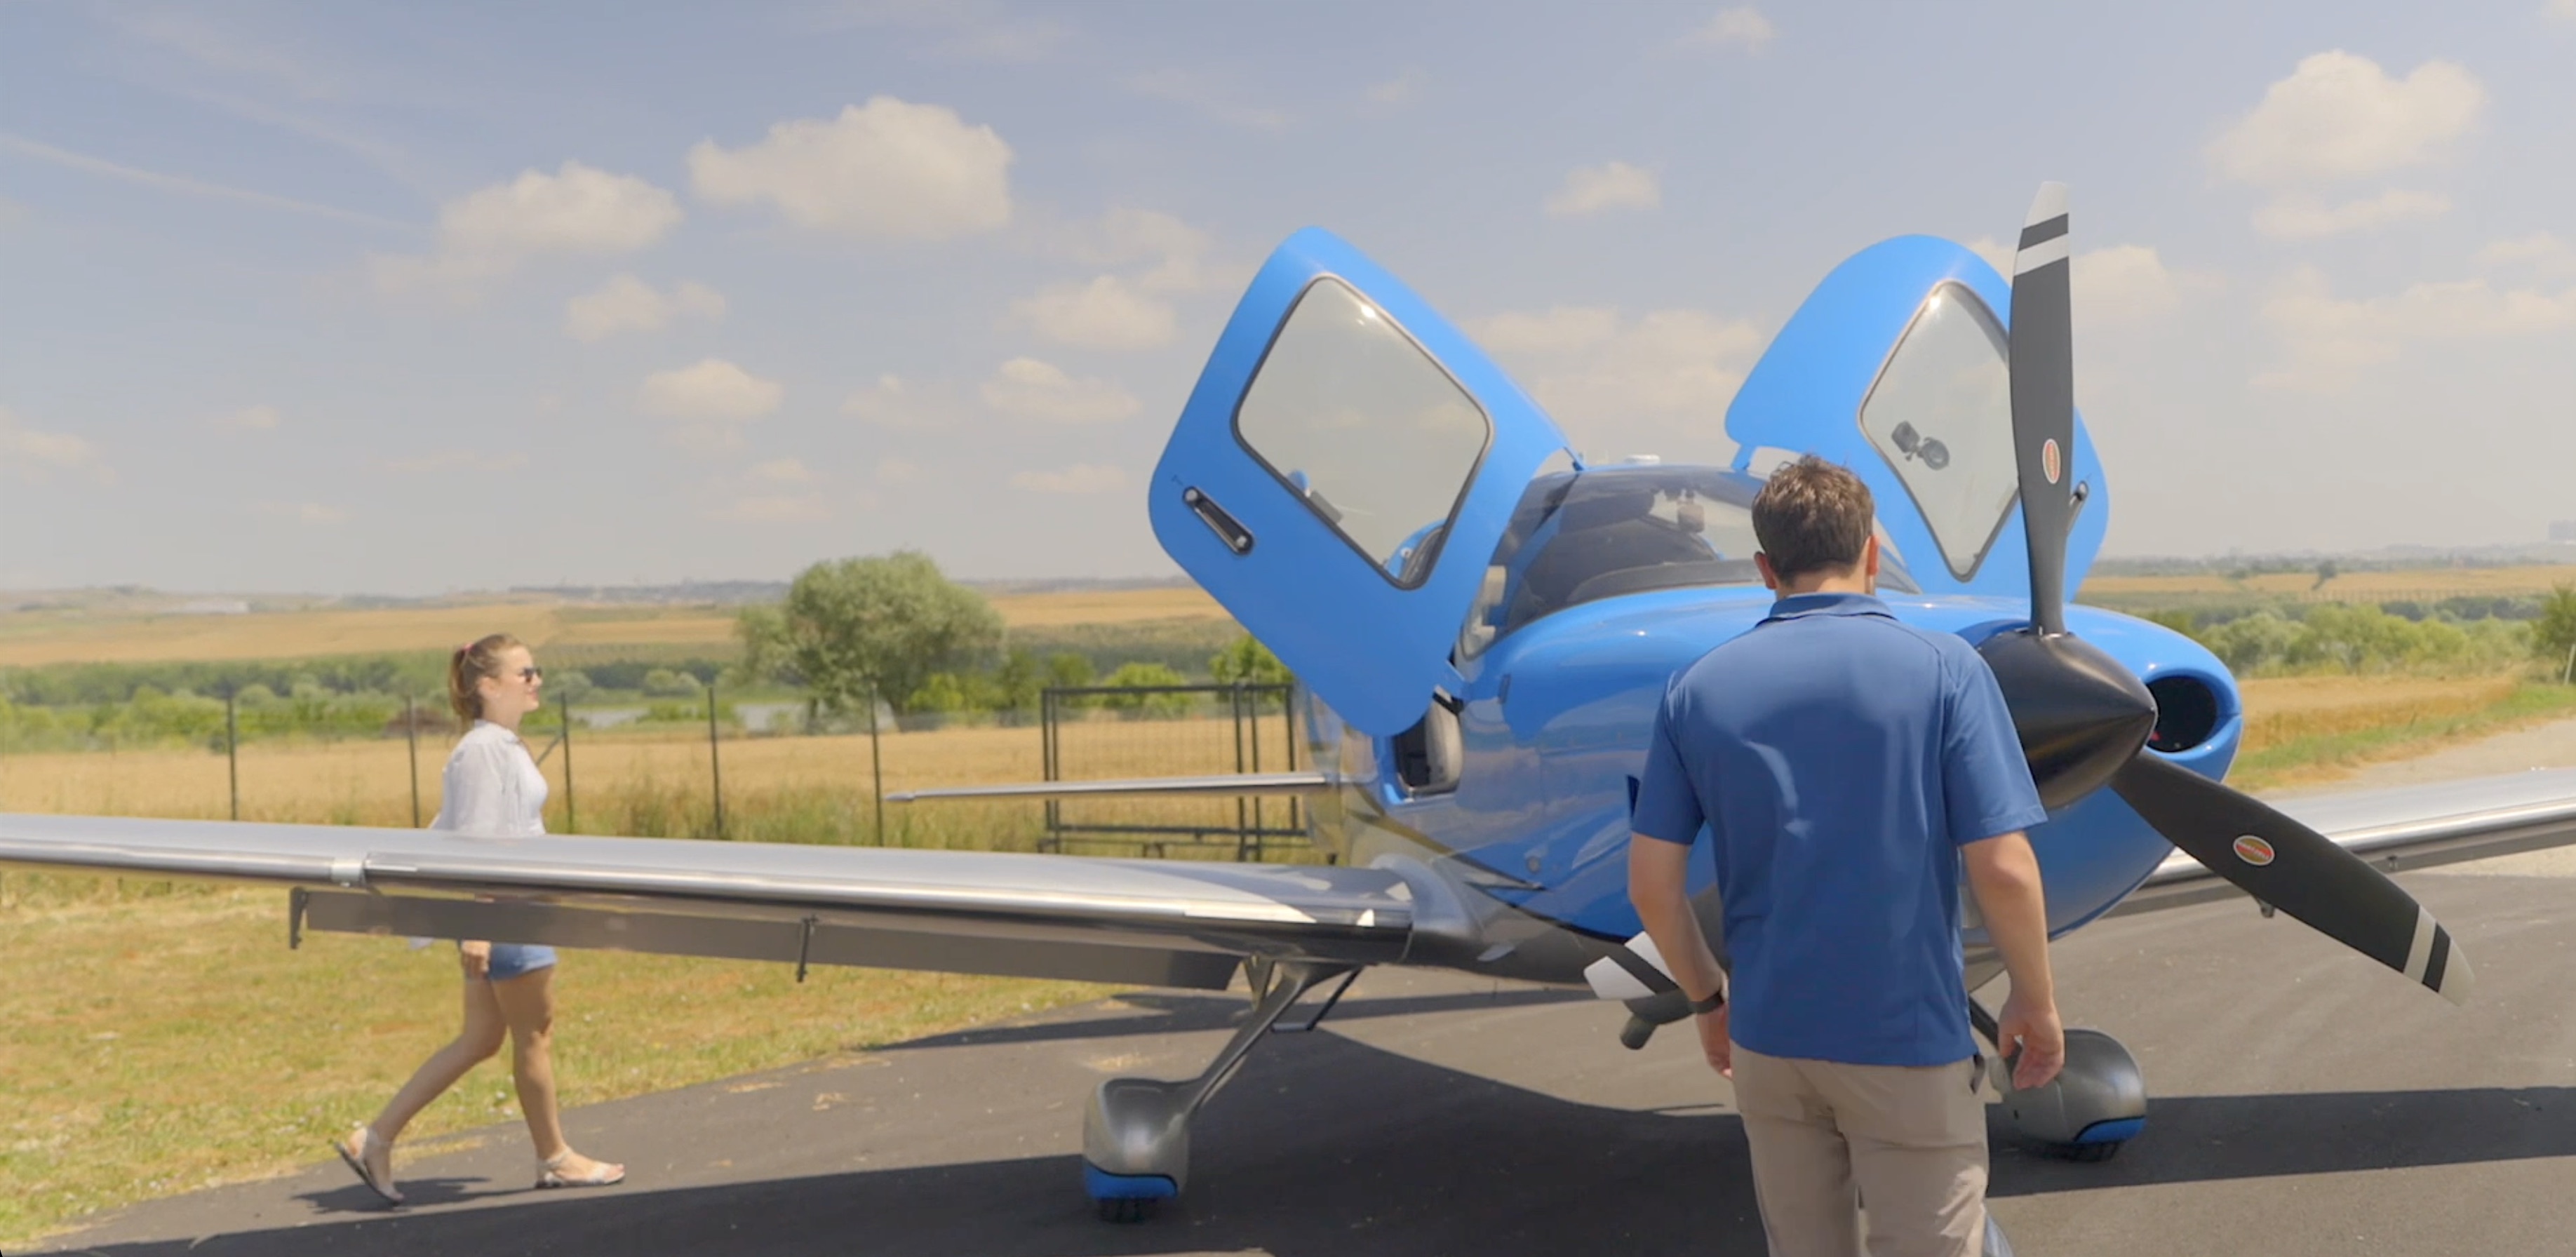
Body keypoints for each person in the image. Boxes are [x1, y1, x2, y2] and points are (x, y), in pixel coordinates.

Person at [1625, 457, 2064, 1257]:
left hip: (1770, 1044)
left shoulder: (1695, 689)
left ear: (1766, 568)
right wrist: (2034, 999)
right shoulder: (1948, 671)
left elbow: (1653, 885)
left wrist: (1707, 1003)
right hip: (1908, 1043)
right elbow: (2002, 866)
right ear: (1870, 553)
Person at [334, 633, 624, 1204]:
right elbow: (480, 845)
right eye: (525, 672)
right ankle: (556, 1159)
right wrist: (482, 927)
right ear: (489, 686)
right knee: (534, 1035)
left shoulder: (499, 745)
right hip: (506, 914)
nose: (536, 680)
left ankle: (375, 1138)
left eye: (535, 671)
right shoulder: (485, 750)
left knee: (480, 1039)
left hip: (512, 910)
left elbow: (497, 831)